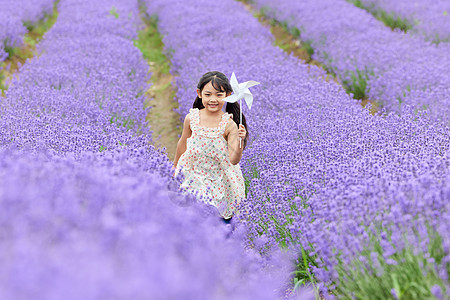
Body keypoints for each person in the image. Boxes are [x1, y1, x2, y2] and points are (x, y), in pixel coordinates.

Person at [173, 71, 248, 223]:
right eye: (208, 95)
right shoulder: (191, 118)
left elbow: (233, 160)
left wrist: (240, 141)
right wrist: (174, 167)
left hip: (219, 178)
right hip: (193, 172)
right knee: (194, 213)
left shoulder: (229, 124)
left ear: (228, 95)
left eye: (219, 95)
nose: (213, 99)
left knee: (218, 218)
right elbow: (183, 143)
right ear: (199, 94)